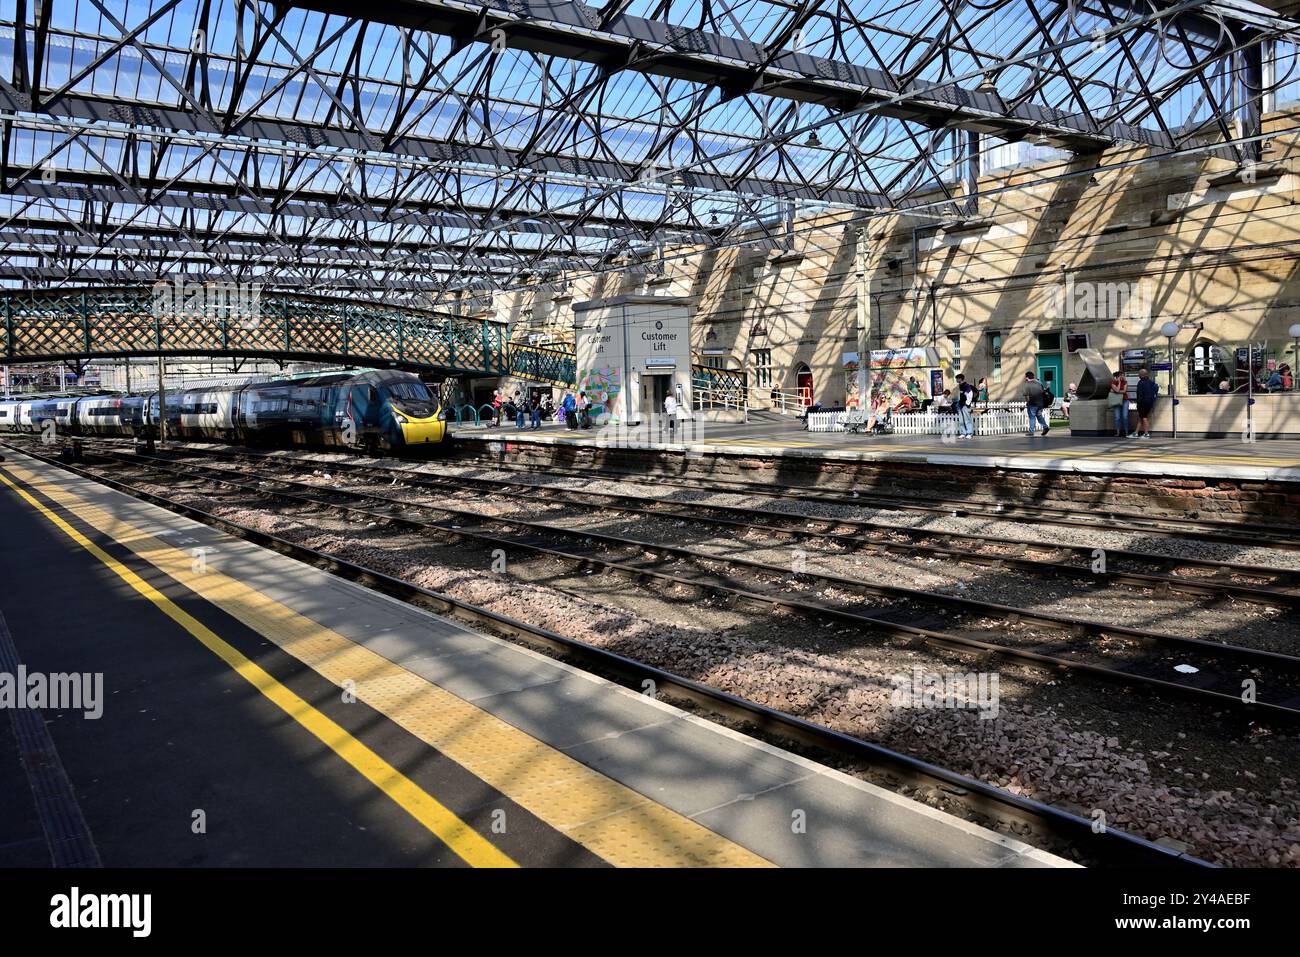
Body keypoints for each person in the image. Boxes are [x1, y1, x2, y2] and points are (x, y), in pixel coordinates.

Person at [1134, 367, 1159, 438]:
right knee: (1140, 417)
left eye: (1139, 374)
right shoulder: (1151, 382)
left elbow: (1140, 395)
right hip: (1150, 402)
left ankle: (1146, 433)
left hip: (1143, 403)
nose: (1138, 375)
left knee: (1144, 417)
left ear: (1141, 375)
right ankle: (1136, 432)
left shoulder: (1141, 383)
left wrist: (1138, 404)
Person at [1023, 370, 1050, 436]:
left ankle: (1031, 431)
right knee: (1039, 415)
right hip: (1040, 403)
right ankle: (1045, 427)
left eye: (1025, 377)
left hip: (1032, 403)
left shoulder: (1027, 384)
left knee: (1032, 417)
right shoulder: (1039, 383)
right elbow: (1043, 391)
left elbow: (1026, 395)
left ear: (1027, 377)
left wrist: (1027, 402)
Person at [1107, 371, 1129, 437]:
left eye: (1123, 375)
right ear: (1117, 376)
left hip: (1125, 400)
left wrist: (1115, 391)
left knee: (1125, 416)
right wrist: (1119, 383)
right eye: (1121, 375)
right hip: (1116, 401)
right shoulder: (1113, 382)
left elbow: (1124, 391)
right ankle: (1118, 433)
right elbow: (1117, 390)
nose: (1123, 377)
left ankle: (1126, 432)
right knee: (1117, 417)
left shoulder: (1125, 382)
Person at [955, 373, 976, 439]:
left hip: (965, 405)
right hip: (960, 404)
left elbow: (970, 394)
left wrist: (967, 403)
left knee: (967, 419)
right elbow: (960, 395)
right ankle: (963, 433)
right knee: (961, 420)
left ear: (960, 379)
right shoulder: (960, 385)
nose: (956, 380)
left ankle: (969, 433)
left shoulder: (966, 386)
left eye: (957, 378)